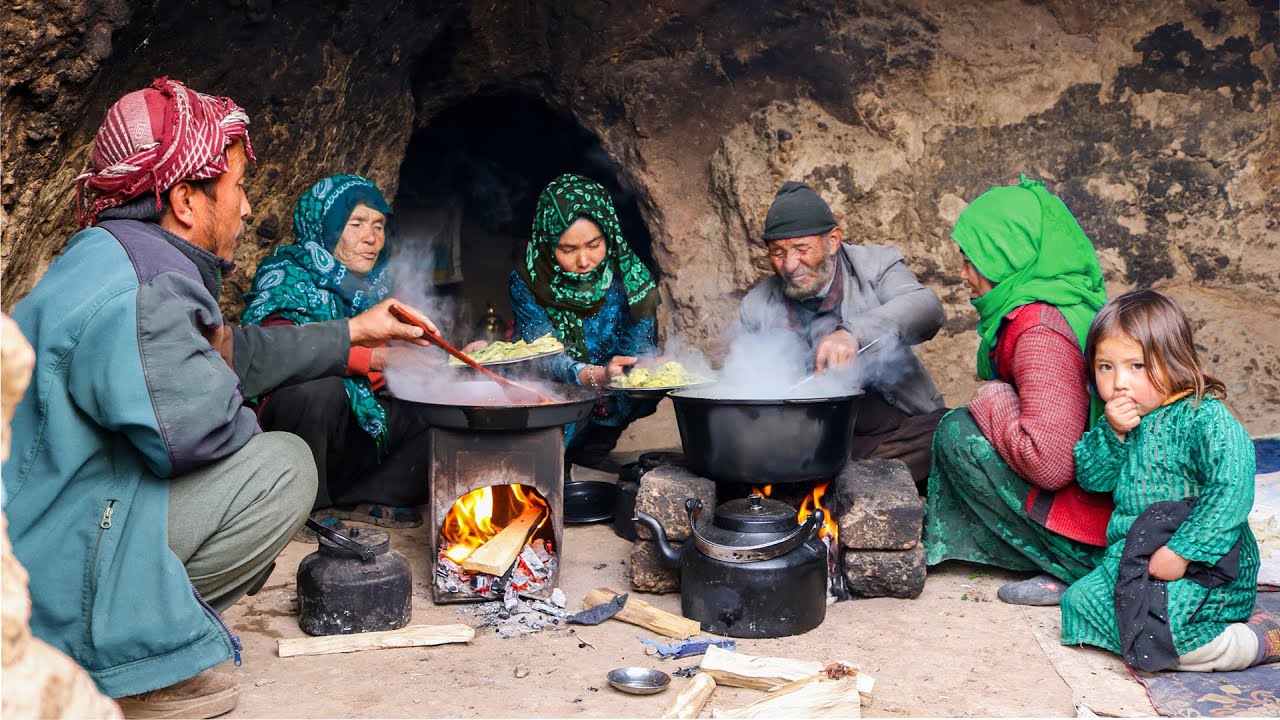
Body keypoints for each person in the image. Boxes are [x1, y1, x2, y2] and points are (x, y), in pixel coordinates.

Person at [0, 78, 435, 717]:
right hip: (47, 566)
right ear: (185, 200)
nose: (249, 207)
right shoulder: (149, 290)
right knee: (281, 468)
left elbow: (233, 350)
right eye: (237, 187)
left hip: (45, 524)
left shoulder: (114, 256)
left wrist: (353, 334)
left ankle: (132, 621)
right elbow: (208, 434)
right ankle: (126, 656)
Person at [1061, 290, 1277, 671]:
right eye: (1106, 367)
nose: (1119, 382)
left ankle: (1252, 643)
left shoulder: (1203, 416)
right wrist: (1112, 434)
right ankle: (1174, 638)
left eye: (1137, 366)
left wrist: (1183, 551)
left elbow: (1231, 487)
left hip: (1203, 567)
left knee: (1160, 632)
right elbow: (1092, 479)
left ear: (1174, 359)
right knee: (1078, 604)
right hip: (1132, 562)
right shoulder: (1119, 421)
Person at [923, 175, 1113, 606]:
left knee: (958, 432)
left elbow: (1052, 465)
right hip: (1101, 499)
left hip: (1095, 522)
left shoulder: (1040, 330)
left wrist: (994, 397)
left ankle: (1075, 566)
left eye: (971, 261)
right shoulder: (1058, 299)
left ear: (1003, 257)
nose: (964, 274)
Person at [242, 175, 434, 534]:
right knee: (319, 390)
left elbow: (401, 356)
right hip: (301, 426)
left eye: (378, 225)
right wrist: (374, 360)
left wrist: (447, 359)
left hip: (355, 425)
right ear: (325, 226)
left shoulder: (381, 286)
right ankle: (305, 504)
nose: (371, 237)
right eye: (356, 223)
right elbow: (276, 352)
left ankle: (365, 497)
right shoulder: (285, 276)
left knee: (438, 410)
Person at [738, 181, 946, 484]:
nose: (790, 265)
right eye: (778, 252)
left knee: (946, 432)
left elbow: (927, 308)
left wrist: (853, 334)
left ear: (833, 241)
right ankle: (853, 479)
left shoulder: (875, 266)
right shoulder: (757, 306)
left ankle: (846, 480)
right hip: (816, 443)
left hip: (896, 434)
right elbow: (751, 388)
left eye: (801, 249)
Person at [508, 173, 662, 470]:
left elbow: (637, 345)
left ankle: (594, 451)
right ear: (547, 242)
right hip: (552, 390)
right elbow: (542, 354)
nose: (583, 261)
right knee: (542, 463)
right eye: (567, 250)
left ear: (609, 234)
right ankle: (552, 461)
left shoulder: (631, 276)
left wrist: (636, 365)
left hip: (610, 397)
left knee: (593, 455)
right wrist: (596, 375)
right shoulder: (528, 279)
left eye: (594, 245)